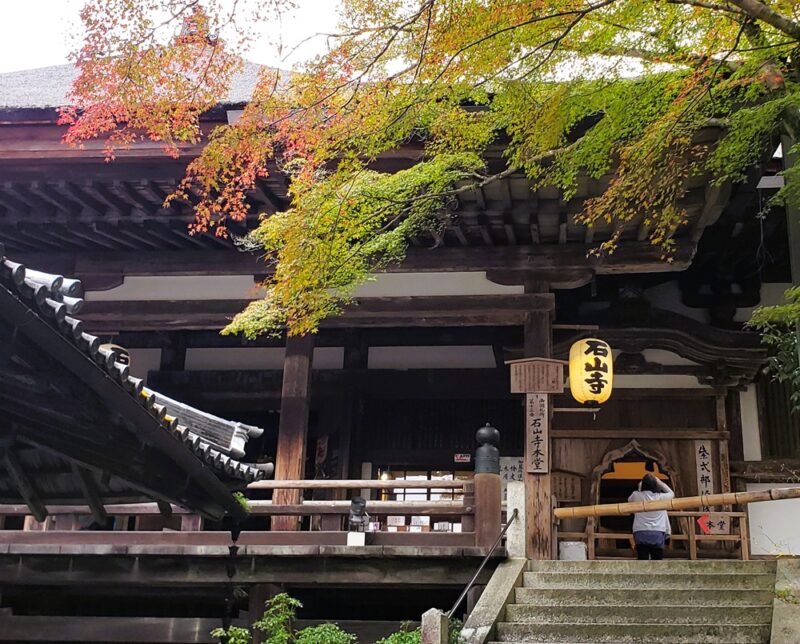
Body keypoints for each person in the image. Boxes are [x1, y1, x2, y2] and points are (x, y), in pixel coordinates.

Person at [628, 473, 674, 560]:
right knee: (657, 559)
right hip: (657, 532)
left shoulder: (636, 495)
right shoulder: (661, 498)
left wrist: (639, 487)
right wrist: (660, 482)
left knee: (642, 559)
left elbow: (629, 500)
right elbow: (671, 493)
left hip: (640, 531)